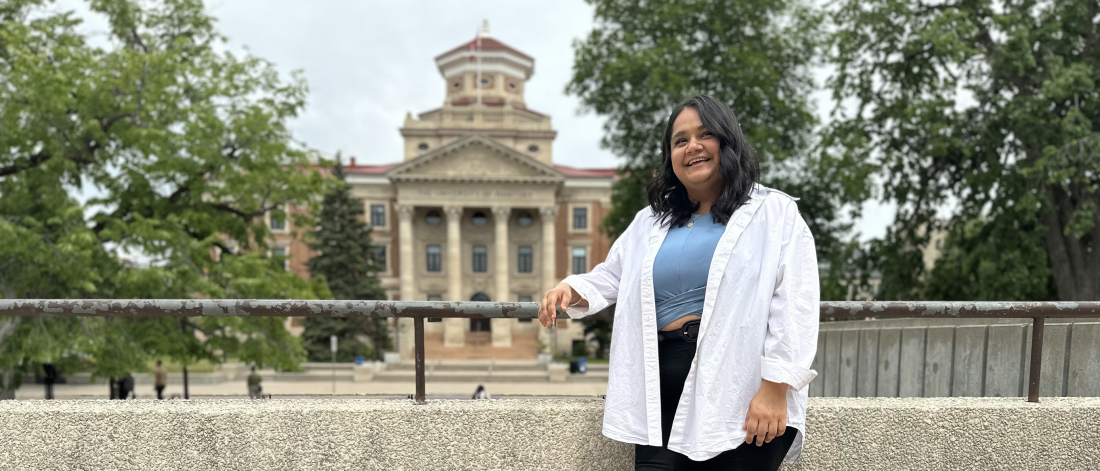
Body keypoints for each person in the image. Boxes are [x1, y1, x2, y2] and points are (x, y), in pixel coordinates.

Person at [540, 95, 819, 471]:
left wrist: (775, 388)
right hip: (659, 393)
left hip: (740, 393)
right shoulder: (650, 222)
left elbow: (796, 305)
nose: (693, 147)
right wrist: (571, 290)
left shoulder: (774, 213)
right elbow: (613, 274)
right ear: (670, 156)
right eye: (680, 140)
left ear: (728, 141)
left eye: (705, 134)